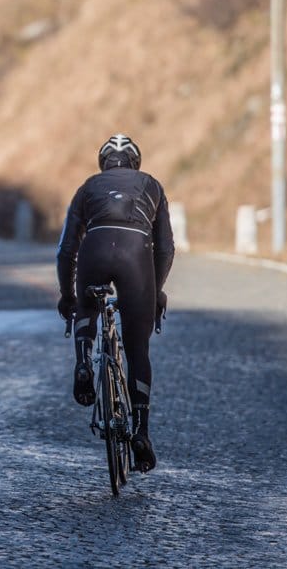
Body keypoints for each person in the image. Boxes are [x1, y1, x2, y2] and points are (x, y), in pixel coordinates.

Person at [55, 134, 175, 472]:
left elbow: (66, 250)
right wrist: (156, 290)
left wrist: (68, 296)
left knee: (88, 306)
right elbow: (165, 248)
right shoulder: (152, 185)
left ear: (103, 163)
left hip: (94, 248)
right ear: (135, 163)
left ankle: (83, 361)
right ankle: (141, 432)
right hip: (135, 254)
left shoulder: (88, 187)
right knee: (137, 349)